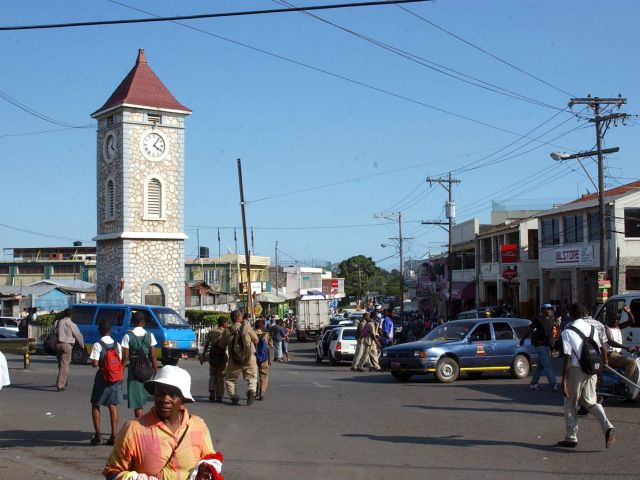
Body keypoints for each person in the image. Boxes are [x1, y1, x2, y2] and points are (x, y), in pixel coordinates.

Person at [103, 365, 218, 480]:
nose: (165, 399)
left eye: (173, 395)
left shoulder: (198, 426)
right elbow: (111, 471)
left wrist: (205, 470)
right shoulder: (133, 429)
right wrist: (134, 478)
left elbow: (211, 460)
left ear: (183, 400)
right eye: (160, 393)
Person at [557, 303, 615, 449]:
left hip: (576, 370)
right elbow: (599, 348)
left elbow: (567, 357)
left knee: (570, 402)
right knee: (590, 401)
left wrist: (563, 380)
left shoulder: (567, 331)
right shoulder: (593, 329)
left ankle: (571, 437)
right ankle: (607, 426)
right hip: (591, 369)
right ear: (585, 314)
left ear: (571, 315)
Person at [89, 318, 123, 446]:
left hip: (102, 376)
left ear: (100, 331)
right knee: (112, 405)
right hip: (115, 377)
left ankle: (98, 435)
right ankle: (113, 435)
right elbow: (119, 360)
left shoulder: (98, 345)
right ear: (110, 330)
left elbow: (95, 364)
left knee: (95, 404)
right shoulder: (117, 345)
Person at [122, 311, 159, 418]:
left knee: (136, 401)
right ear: (143, 322)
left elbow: (125, 358)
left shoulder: (127, 336)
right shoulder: (150, 335)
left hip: (134, 370)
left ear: (133, 322)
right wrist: (156, 370)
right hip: (146, 369)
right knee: (142, 398)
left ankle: (140, 424)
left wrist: (121, 371)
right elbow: (153, 356)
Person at [520, 304, 560, 392]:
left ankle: (533, 383)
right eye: (546, 309)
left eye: (550, 309)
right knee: (546, 365)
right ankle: (553, 384)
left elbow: (554, 332)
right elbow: (529, 330)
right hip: (540, 345)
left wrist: (555, 341)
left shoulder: (551, 320)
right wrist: (523, 339)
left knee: (541, 366)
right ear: (542, 310)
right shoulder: (538, 319)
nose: (548, 311)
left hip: (547, 346)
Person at [223, 310, 259, 406]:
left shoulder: (227, 331)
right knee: (252, 377)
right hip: (249, 356)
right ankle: (251, 390)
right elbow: (256, 339)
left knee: (230, 379)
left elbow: (222, 345)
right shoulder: (246, 327)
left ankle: (233, 395)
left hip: (234, 359)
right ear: (239, 318)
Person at [54, 307, 85, 392]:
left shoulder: (58, 322)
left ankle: (63, 380)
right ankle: (60, 385)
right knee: (65, 365)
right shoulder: (72, 324)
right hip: (67, 345)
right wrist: (82, 345)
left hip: (58, 344)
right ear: (71, 315)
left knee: (60, 364)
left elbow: (54, 331)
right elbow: (78, 335)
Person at [604, 305, 637, 382]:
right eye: (614, 319)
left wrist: (629, 312)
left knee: (636, 366)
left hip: (618, 355)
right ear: (608, 319)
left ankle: (632, 388)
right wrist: (625, 347)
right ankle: (625, 384)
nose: (616, 321)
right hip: (610, 356)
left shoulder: (617, 326)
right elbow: (610, 342)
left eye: (618, 319)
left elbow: (631, 321)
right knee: (632, 363)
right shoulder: (605, 329)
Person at [200, 316, 228, 403]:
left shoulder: (211, 332)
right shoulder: (225, 333)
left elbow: (207, 344)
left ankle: (212, 392)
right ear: (223, 323)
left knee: (212, 374)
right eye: (227, 323)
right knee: (220, 376)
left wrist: (204, 354)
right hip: (222, 355)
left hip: (213, 354)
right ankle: (219, 395)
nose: (227, 324)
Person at [254, 318, 272, 400]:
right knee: (263, 375)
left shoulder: (252, 334)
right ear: (262, 327)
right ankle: (262, 392)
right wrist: (269, 358)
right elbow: (268, 348)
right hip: (264, 358)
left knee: (253, 376)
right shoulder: (266, 335)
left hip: (253, 358)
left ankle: (254, 391)